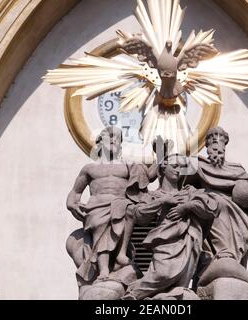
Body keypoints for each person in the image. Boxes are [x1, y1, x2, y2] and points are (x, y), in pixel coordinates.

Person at [123, 154, 218, 300]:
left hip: (188, 240)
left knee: (181, 282)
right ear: (163, 168)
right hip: (165, 241)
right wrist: (162, 201)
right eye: (174, 166)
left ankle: (173, 293)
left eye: (181, 167)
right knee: (163, 273)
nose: (179, 170)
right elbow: (139, 215)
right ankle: (133, 293)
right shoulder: (154, 195)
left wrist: (186, 207)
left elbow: (211, 207)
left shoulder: (188, 192)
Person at [66, 126, 149, 281]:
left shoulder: (127, 165)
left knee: (129, 208)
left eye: (117, 137)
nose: (113, 139)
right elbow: (75, 192)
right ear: (100, 141)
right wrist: (72, 203)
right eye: (110, 135)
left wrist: (161, 157)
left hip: (121, 205)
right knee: (101, 223)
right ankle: (103, 269)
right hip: (97, 206)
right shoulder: (90, 168)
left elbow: (147, 178)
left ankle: (121, 254)